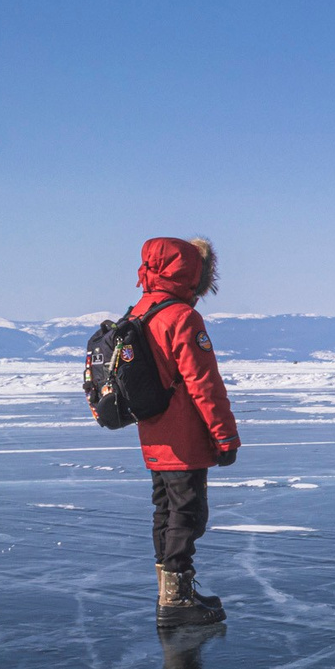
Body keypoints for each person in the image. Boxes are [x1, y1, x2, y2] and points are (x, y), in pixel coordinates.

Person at [131, 237, 240, 626]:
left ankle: (170, 591)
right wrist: (225, 436)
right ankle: (177, 600)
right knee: (188, 513)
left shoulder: (139, 312)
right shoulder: (181, 317)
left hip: (153, 434)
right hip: (184, 437)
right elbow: (204, 383)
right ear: (191, 272)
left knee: (166, 509)